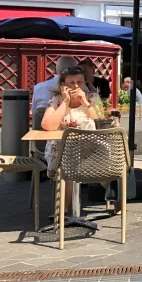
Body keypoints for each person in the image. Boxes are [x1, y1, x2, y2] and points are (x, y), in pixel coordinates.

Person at [41, 66, 102, 210]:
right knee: (66, 169)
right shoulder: (56, 100)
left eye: (79, 82)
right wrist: (65, 102)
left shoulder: (92, 98)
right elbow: (48, 125)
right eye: (71, 83)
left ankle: (114, 194)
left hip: (88, 148)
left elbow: (100, 123)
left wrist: (85, 103)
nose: (75, 86)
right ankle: (63, 212)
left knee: (108, 161)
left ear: (85, 83)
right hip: (62, 149)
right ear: (63, 85)